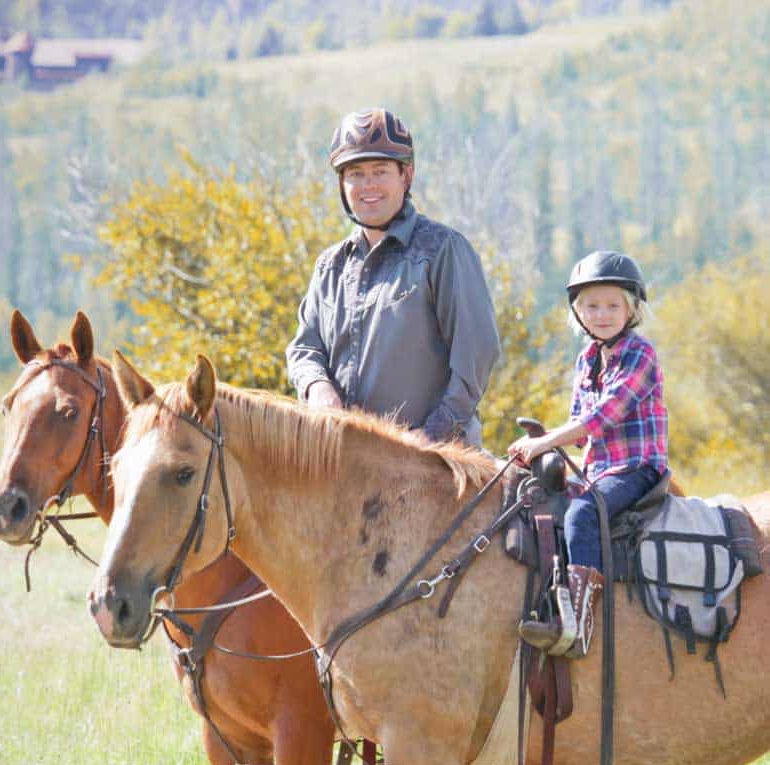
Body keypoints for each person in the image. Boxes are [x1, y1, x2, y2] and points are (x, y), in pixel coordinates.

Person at [286, 108, 500, 445]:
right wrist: (317, 387)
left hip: (437, 466)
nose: (368, 185)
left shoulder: (443, 250)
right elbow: (304, 347)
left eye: (380, 171)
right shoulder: (330, 266)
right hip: (345, 467)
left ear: (406, 175)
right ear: (342, 184)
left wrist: (429, 437)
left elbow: (477, 355)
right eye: (355, 173)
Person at [508, 251, 668, 659]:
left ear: (631, 310)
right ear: (578, 313)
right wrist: (542, 447)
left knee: (583, 515)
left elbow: (603, 416)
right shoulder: (587, 359)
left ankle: (576, 628)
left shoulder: (640, 353)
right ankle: (548, 599)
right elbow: (579, 426)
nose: (602, 314)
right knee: (538, 505)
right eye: (592, 306)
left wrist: (546, 443)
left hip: (636, 467)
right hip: (597, 468)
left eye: (613, 305)